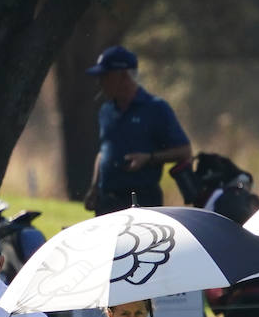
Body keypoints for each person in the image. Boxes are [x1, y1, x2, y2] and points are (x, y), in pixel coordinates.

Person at [82, 45, 192, 216]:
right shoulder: (106, 110)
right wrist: (94, 188)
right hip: (107, 201)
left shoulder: (156, 108)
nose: (100, 82)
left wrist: (148, 159)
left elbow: (184, 152)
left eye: (105, 76)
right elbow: (103, 152)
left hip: (143, 201)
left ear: (124, 75)